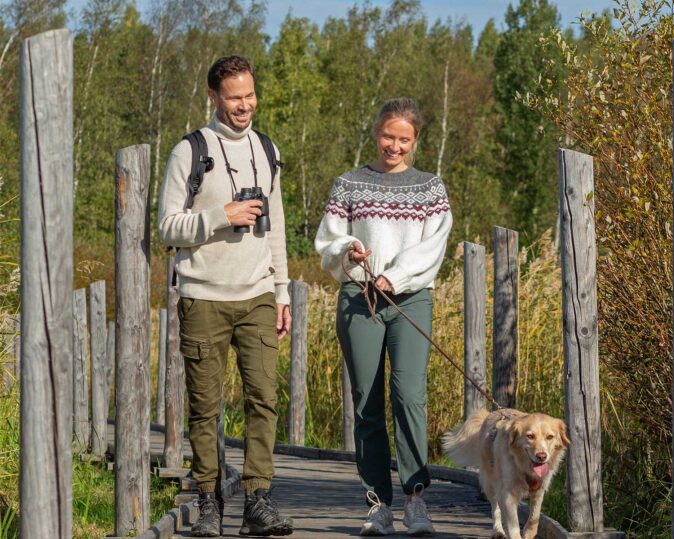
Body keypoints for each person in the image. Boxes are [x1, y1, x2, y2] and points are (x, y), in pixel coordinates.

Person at [158, 55, 293, 538]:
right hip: (203, 298)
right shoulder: (188, 151)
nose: (245, 105)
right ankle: (209, 499)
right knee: (205, 405)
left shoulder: (267, 147)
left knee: (264, 397)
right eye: (234, 97)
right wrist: (221, 214)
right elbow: (167, 227)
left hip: (257, 293)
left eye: (250, 95)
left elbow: (274, 228)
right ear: (213, 97)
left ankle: (258, 498)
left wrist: (282, 292)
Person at [314, 97, 453, 536]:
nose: (395, 146)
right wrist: (347, 250)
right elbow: (328, 242)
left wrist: (394, 276)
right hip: (359, 298)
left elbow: (433, 246)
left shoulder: (430, 188)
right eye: (388, 136)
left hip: (410, 299)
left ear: (415, 141)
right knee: (367, 404)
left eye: (404, 139)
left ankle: (415, 497)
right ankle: (377, 504)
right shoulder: (348, 184)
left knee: (409, 396)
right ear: (377, 133)